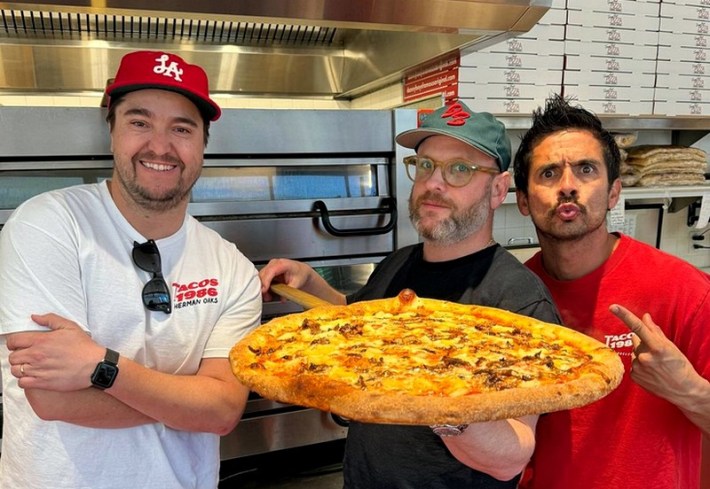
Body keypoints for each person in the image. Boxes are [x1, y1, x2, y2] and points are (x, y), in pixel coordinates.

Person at [259, 100, 561, 488]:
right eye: (426, 165)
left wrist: (442, 399)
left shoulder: (516, 300)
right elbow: (358, 326)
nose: (434, 183)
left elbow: (511, 458)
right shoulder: (400, 263)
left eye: (459, 170)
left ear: (497, 189)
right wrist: (309, 280)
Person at [0, 51, 262, 488]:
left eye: (182, 128)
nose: (160, 146)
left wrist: (103, 367)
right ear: (112, 132)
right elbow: (50, 398)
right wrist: (188, 397)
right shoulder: (48, 225)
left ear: (202, 144)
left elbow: (222, 412)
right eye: (140, 122)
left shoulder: (231, 267)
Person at [513, 94, 710, 489]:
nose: (568, 186)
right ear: (522, 199)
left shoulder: (684, 290)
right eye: (549, 173)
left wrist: (688, 391)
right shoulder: (513, 299)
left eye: (586, 169)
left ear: (614, 191)